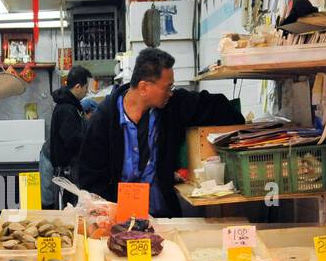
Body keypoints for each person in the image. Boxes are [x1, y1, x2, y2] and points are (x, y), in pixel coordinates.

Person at [77, 47, 243, 217]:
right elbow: (91, 182)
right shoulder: (103, 121)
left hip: (163, 217)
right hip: (119, 220)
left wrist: (243, 131)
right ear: (143, 87)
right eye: (167, 87)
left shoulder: (171, 106)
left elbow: (214, 105)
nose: (170, 93)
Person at [42, 66, 90, 206]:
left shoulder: (71, 106)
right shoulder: (67, 109)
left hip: (69, 169)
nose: (87, 92)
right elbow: (71, 140)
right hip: (66, 172)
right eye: (86, 88)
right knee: (68, 211)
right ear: (77, 87)